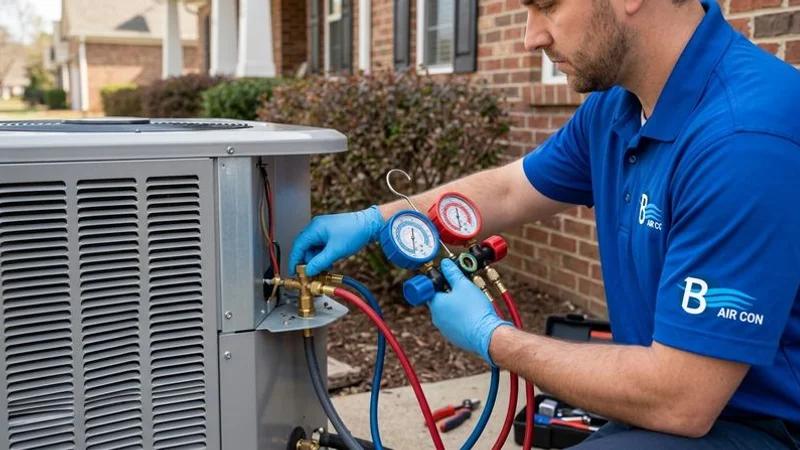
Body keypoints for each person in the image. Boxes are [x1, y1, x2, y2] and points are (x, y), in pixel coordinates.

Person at [288, 0, 800, 447]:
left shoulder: (745, 139)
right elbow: (511, 190)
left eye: (547, 5)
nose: (531, 37)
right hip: (669, 410)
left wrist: (493, 337)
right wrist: (378, 219)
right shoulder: (618, 105)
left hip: (757, 425)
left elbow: (681, 400)